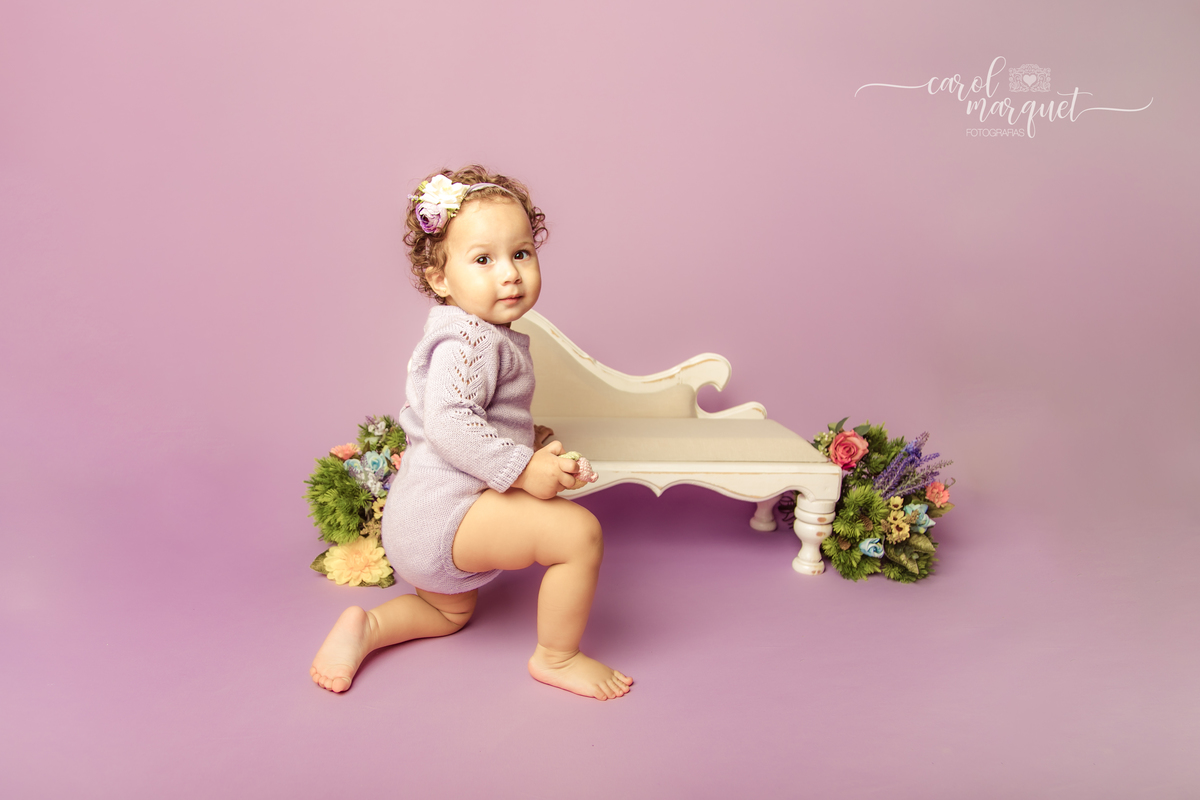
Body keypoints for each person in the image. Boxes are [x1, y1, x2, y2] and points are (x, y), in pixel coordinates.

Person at [310, 166, 632, 700]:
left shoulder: (474, 333)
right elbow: (451, 421)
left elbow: (483, 416)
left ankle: (366, 629)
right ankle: (558, 655)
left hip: (419, 517)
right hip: (448, 514)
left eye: (521, 254)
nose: (509, 273)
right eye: (483, 260)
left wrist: (533, 439)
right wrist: (526, 469)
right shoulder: (472, 342)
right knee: (579, 535)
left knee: (445, 611)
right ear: (440, 280)